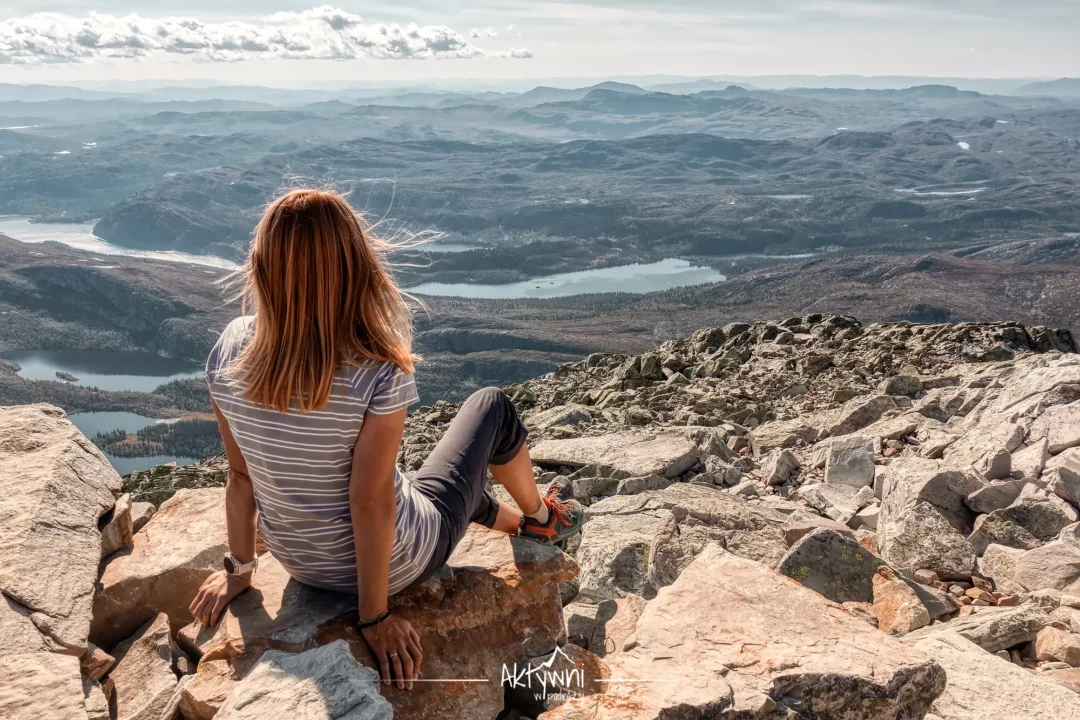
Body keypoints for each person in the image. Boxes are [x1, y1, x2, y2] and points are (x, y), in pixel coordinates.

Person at [187, 188, 584, 690]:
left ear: (263, 269)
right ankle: (542, 519)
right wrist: (374, 618)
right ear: (355, 266)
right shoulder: (373, 364)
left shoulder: (230, 349)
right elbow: (369, 500)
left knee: (430, 486)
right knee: (492, 407)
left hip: (300, 562)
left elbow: (241, 476)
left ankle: (503, 519)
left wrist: (240, 572)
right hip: (396, 566)